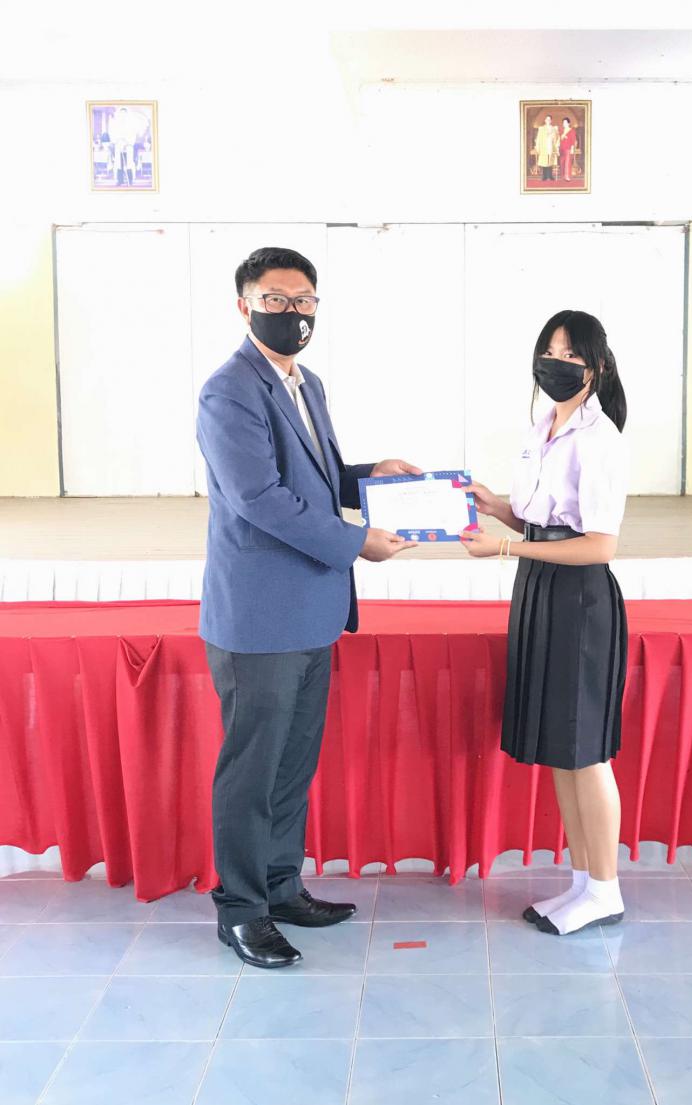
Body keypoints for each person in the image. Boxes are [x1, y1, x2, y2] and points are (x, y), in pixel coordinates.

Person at [197, 246, 420, 968]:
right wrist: (357, 542)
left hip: (312, 611)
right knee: (252, 771)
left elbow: (314, 478)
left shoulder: (306, 382)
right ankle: (241, 910)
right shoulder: (229, 391)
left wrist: (370, 476)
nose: (291, 313)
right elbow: (260, 498)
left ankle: (280, 885)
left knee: (292, 763)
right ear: (245, 306)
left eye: (303, 302)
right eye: (276, 299)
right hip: (259, 617)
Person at [461, 309, 629, 936]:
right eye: (549, 352)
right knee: (564, 748)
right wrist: (493, 506)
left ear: (597, 368)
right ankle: (584, 883)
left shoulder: (600, 438)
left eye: (571, 355)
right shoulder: (544, 426)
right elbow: (543, 518)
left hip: (579, 599)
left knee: (587, 753)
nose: (556, 364)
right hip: (539, 588)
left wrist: (506, 547)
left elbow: (598, 545)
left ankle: (606, 889)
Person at [534, 114, 560, 182]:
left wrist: (557, 146)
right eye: (547, 119)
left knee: (550, 161)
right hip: (544, 146)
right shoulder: (541, 128)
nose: (548, 120)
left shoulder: (554, 129)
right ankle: (544, 176)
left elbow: (557, 138)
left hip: (551, 146)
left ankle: (550, 175)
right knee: (544, 161)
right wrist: (537, 146)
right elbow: (538, 138)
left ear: (551, 121)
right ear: (545, 120)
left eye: (549, 119)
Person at [559, 117, 577, 182]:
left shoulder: (572, 130)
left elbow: (573, 140)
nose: (564, 124)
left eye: (565, 122)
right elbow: (560, 138)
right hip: (562, 148)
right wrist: (563, 136)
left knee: (567, 162)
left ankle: (567, 176)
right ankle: (563, 176)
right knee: (562, 162)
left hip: (568, 148)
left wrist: (572, 148)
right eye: (563, 122)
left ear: (568, 123)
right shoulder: (561, 130)